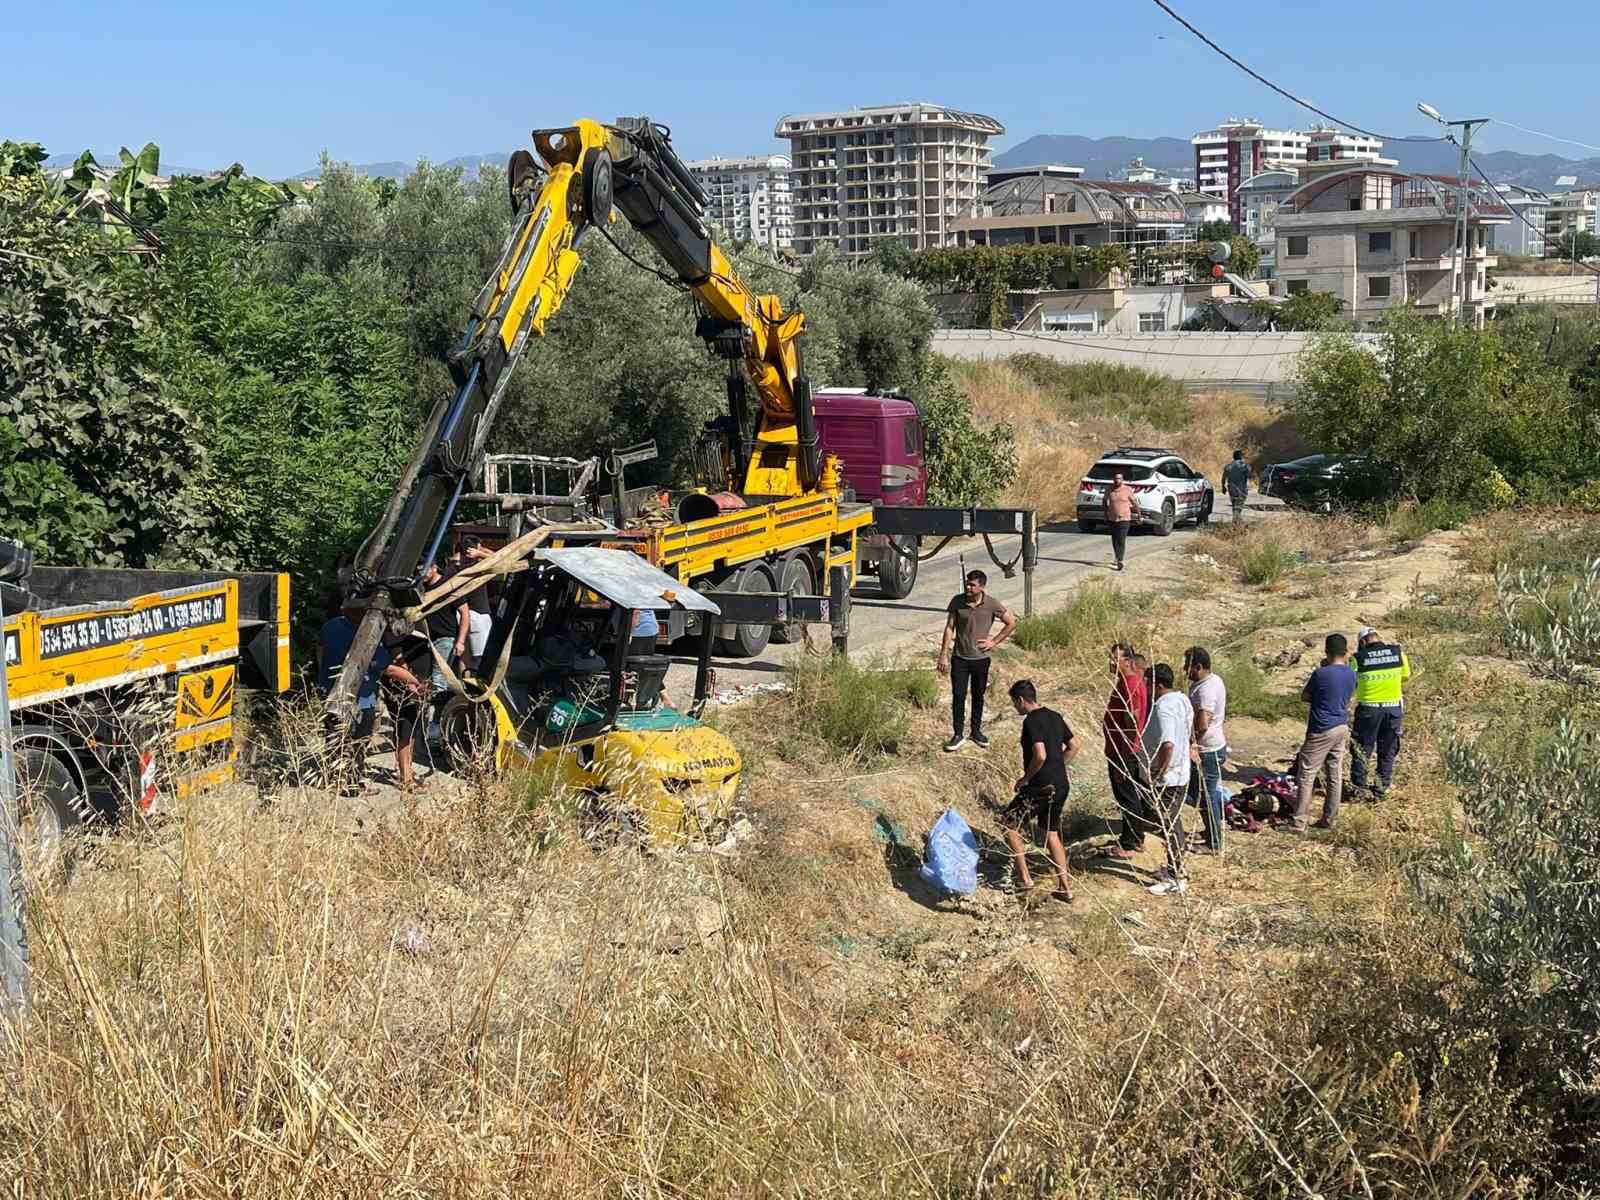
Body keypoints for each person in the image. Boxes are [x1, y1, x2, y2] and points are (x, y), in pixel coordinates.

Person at [1001, 680, 1077, 903]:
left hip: (1040, 786)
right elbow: (1074, 746)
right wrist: (1058, 766)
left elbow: (1040, 754)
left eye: (1015, 703)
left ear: (1021, 700)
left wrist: (1026, 778)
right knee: (1051, 833)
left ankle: (1024, 879)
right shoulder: (1055, 716)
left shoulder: (1031, 721)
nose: (1016, 708)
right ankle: (1065, 887)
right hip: (1061, 784)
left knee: (1009, 823)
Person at [937, 569, 1016, 752]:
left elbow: (1011, 622)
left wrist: (993, 642)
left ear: (982, 587)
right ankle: (957, 734)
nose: (968, 587)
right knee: (958, 696)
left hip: (981, 659)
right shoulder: (957, 601)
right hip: (959, 658)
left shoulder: (991, 604)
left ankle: (976, 731)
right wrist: (943, 653)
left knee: (978, 696)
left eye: (972, 585)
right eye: (967, 583)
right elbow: (949, 628)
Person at [1287, 633, 1359, 831]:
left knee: (1307, 774)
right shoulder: (1352, 674)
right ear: (1345, 652)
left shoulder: (1321, 674)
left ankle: (1299, 821)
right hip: (1341, 726)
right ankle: (1329, 819)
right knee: (1334, 775)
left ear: (1326, 652)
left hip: (1321, 728)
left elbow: (1305, 696)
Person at [317, 604, 390, 796]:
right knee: (359, 740)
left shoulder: (329, 626)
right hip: (362, 697)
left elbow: (320, 651)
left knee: (334, 738)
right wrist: (413, 681)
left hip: (331, 693)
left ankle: (334, 779)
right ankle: (352, 782)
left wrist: (323, 677)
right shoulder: (367, 634)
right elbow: (385, 667)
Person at [1140, 663, 1195, 895]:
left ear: (1157, 684)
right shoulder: (1182, 700)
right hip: (1180, 771)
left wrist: (1160, 771)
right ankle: (1174, 869)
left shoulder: (1164, 708)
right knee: (1172, 823)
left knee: (1169, 825)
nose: (1145, 686)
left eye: (1147, 682)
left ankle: (1176, 875)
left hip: (1168, 778)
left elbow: (1168, 744)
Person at [1100, 643, 1150, 861]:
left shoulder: (1130, 686)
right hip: (1121, 749)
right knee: (1128, 796)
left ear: (1128, 661)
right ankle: (1134, 837)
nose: (1111, 662)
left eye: (1115, 658)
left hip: (1123, 752)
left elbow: (1130, 724)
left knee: (1127, 797)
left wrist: (1121, 755)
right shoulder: (1126, 683)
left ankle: (1130, 844)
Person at [1350, 625, 1410, 799]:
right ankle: (1381, 789)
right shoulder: (1398, 654)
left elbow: (1351, 681)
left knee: (1362, 749)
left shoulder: (1358, 658)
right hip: (1393, 709)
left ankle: (1359, 790)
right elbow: (1405, 676)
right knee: (1388, 750)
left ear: (1362, 642)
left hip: (1369, 709)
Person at [1183, 646, 1227, 854]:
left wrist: (1193, 744)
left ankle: (1214, 843)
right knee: (1203, 793)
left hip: (1206, 749)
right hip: (1210, 746)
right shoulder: (1210, 682)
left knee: (1205, 795)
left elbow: (1203, 722)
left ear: (1198, 666)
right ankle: (1212, 831)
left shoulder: (1207, 689)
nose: (1185, 670)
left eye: (1188, 666)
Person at [453, 535, 494, 673]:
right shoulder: (475, 566)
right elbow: (500, 559)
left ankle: (464, 684)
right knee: (479, 659)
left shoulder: (456, 565)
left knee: (465, 658)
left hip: (463, 614)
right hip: (478, 616)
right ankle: (474, 687)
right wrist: (480, 553)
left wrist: (478, 550)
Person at [1105, 472, 1136, 572]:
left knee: (1121, 539)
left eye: (1119, 478)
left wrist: (1139, 515)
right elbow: (1104, 501)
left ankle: (1120, 560)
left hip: (1125, 518)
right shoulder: (1109, 489)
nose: (1116, 480)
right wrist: (1105, 512)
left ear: (1122, 480)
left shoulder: (1127, 490)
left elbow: (1134, 502)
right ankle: (1117, 557)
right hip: (1112, 518)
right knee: (1114, 539)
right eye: (1115, 478)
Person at [1222, 450, 1252, 524]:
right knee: (1239, 504)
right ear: (1241, 457)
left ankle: (1236, 519)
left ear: (1233, 457)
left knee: (1234, 503)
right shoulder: (1244, 465)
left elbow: (1223, 478)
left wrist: (1223, 487)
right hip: (1241, 487)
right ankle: (1236, 520)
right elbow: (1249, 476)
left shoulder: (1228, 465)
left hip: (1231, 487)